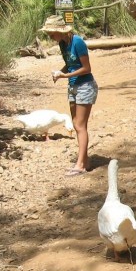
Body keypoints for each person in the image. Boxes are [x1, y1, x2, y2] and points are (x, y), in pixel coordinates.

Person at [39, 14, 98, 176]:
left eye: (51, 33)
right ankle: (84, 161)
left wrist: (65, 76)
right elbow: (70, 64)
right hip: (72, 86)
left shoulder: (77, 42)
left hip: (85, 85)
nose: (50, 37)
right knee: (76, 123)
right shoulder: (63, 44)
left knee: (80, 125)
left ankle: (80, 165)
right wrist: (60, 72)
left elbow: (86, 68)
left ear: (60, 31)